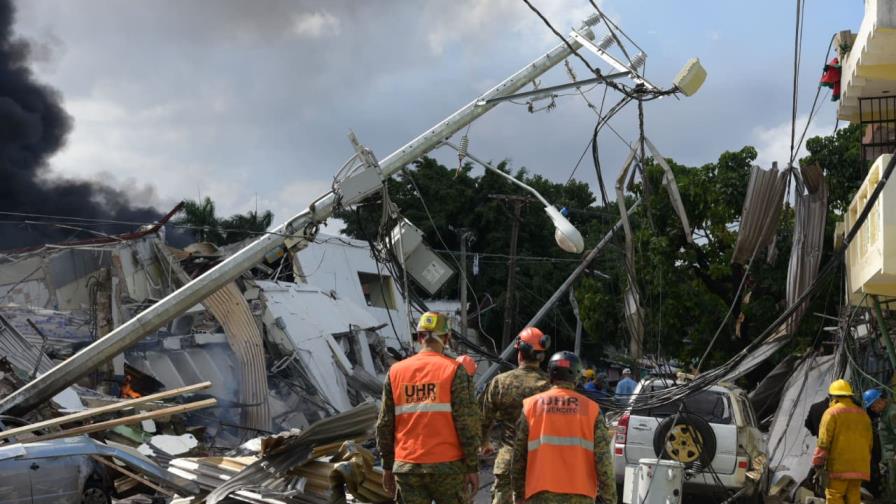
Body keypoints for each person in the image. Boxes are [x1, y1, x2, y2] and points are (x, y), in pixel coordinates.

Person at [375, 311, 480, 504]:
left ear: (419, 337)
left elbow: (384, 425)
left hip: (407, 467)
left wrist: (387, 466)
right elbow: (467, 424)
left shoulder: (395, 372)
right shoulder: (454, 370)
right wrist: (472, 466)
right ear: (446, 338)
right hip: (448, 468)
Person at [511, 351, 616, 504]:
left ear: (550, 373)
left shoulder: (532, 406)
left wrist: (519, 494)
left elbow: (518, 457)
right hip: (581, 496)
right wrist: (609, 499)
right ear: (577, 375)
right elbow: (603, 461)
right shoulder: (591, 409)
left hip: (539, 495)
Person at [480, 327, 551, 504]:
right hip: (540, 464)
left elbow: (483, 420)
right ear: (541, 356)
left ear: (520, 353)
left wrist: (484, 443)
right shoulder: (550, 386)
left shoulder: (501, 382)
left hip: (508, 462)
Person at [812, 379, 873, 504]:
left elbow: (824, 442)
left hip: (840, 466)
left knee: (834, 495)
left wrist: (817, 461)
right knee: (853, 496)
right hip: (860, 466)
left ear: (833, 396)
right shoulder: (863, 414)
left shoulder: (831, 413)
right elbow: (870, 442)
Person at [866, 388, 896, 500]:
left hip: (893, 457)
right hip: (888, 458)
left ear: (879, 401)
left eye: (873, 406)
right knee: (889, 485)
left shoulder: (892, 413)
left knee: (893, 487)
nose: (873, 410)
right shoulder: (884, 414)